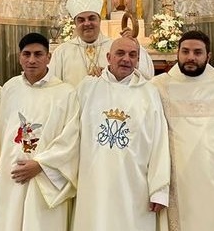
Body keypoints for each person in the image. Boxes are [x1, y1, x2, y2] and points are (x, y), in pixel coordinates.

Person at [73, 36, 170, 230]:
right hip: (93, 180)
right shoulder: (87, 87)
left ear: (138, 61)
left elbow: (160, 140)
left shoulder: (149, 93)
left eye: (132, 55)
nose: (126, 59)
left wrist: (159, 190)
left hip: (135, 184)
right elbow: (70, 134)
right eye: (120, 53)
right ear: (108, 57)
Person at [151, 30, 214, 231]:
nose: (190, 57)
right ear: (177, 53)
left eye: (197, 52)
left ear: (208, 56)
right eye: (185, 51)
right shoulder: (158, 86)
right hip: (181, 181)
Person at [0, 33, 79, 230]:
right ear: (19, 57)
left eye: (38, 54)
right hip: (10, 175)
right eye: (26, 54)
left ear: (49, 57)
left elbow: (71, 139)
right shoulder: (9, 88)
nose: (32, 60)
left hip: (45, 179)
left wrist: (41, 165)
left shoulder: (66, 93)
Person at [49, 0, 154, 86]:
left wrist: (135, 46)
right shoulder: (61, 52)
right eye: (81, 20)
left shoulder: (115, 48)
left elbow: (147, 76)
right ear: (75, 23)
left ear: (99, 20)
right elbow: (53, 88)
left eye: (91, 18)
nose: (87, 23)